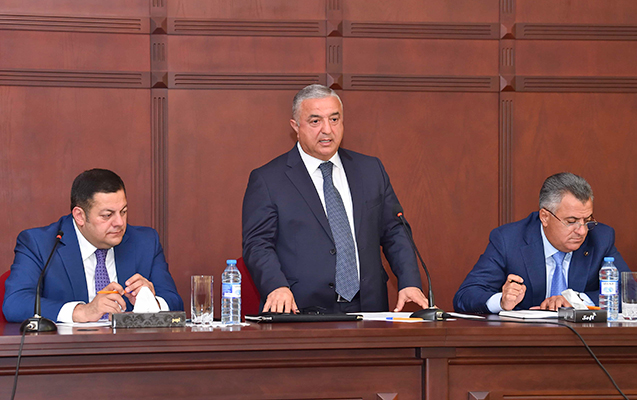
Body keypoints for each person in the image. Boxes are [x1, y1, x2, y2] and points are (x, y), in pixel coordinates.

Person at [242, 84, 428, 314]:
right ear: (296, 126)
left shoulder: (370, 170)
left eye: (334, 119)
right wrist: (276, 286)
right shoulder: (268, 179)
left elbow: (395, 231)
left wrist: (409, 281)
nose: (327, 130)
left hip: (369, 307)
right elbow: (258, 244)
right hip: (301, 309)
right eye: (315, 121)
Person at [3, 169, 183, 323]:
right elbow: (15, 303)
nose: (120, 223)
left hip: (131, 349)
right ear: (80, 216)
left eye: (123, 212)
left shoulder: (145, 242)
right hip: (68, 350)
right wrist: (82, 311)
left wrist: (151, 302)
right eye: (107, 215)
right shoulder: (40, 244)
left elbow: (174, 302)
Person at [454, 172, 630, 314]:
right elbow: (465, 296)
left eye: (587, 220)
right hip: (526, 343)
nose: (582, 231)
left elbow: (629, 292)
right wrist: (501, 301)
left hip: (584, 343)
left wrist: (577, 300)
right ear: (545, 217)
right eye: (571, 221)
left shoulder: (601, 238)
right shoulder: (509, 240)